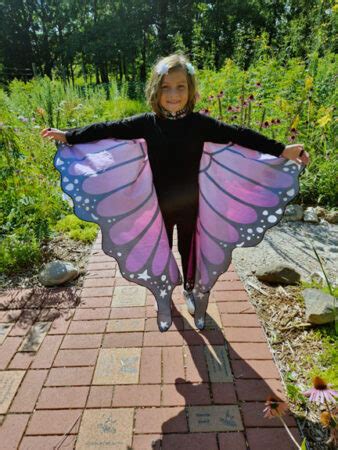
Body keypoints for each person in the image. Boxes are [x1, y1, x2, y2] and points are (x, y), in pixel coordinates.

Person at [41, 53, 310, 332]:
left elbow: (239, 134)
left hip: (192, 208)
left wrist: (282, 150)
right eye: (166, 87)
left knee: (189, 250)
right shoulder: (146, 123)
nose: (173, 94)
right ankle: (163, 296)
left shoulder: (200, 125)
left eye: (180, 86)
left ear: (190, 89)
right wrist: (69, 136)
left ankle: (192, 291)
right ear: (156, 90)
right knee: (159, 251)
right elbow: (108, 129)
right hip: (157, 208)